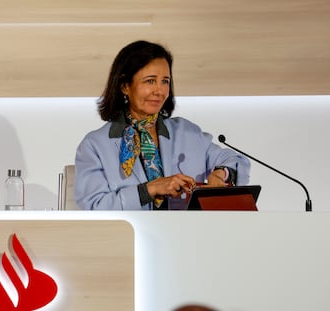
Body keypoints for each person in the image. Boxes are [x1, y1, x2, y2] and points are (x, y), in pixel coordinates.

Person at [74, 40, 250, 210]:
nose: (159, 91)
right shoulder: (94, 145)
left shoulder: (187, 132)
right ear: (125, 86)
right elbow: (94, 207)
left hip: (189, 235)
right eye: (150, 81)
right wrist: (150, 189)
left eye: (165, 81)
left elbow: (235, 161)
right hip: (131, 237)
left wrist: (221, 173)